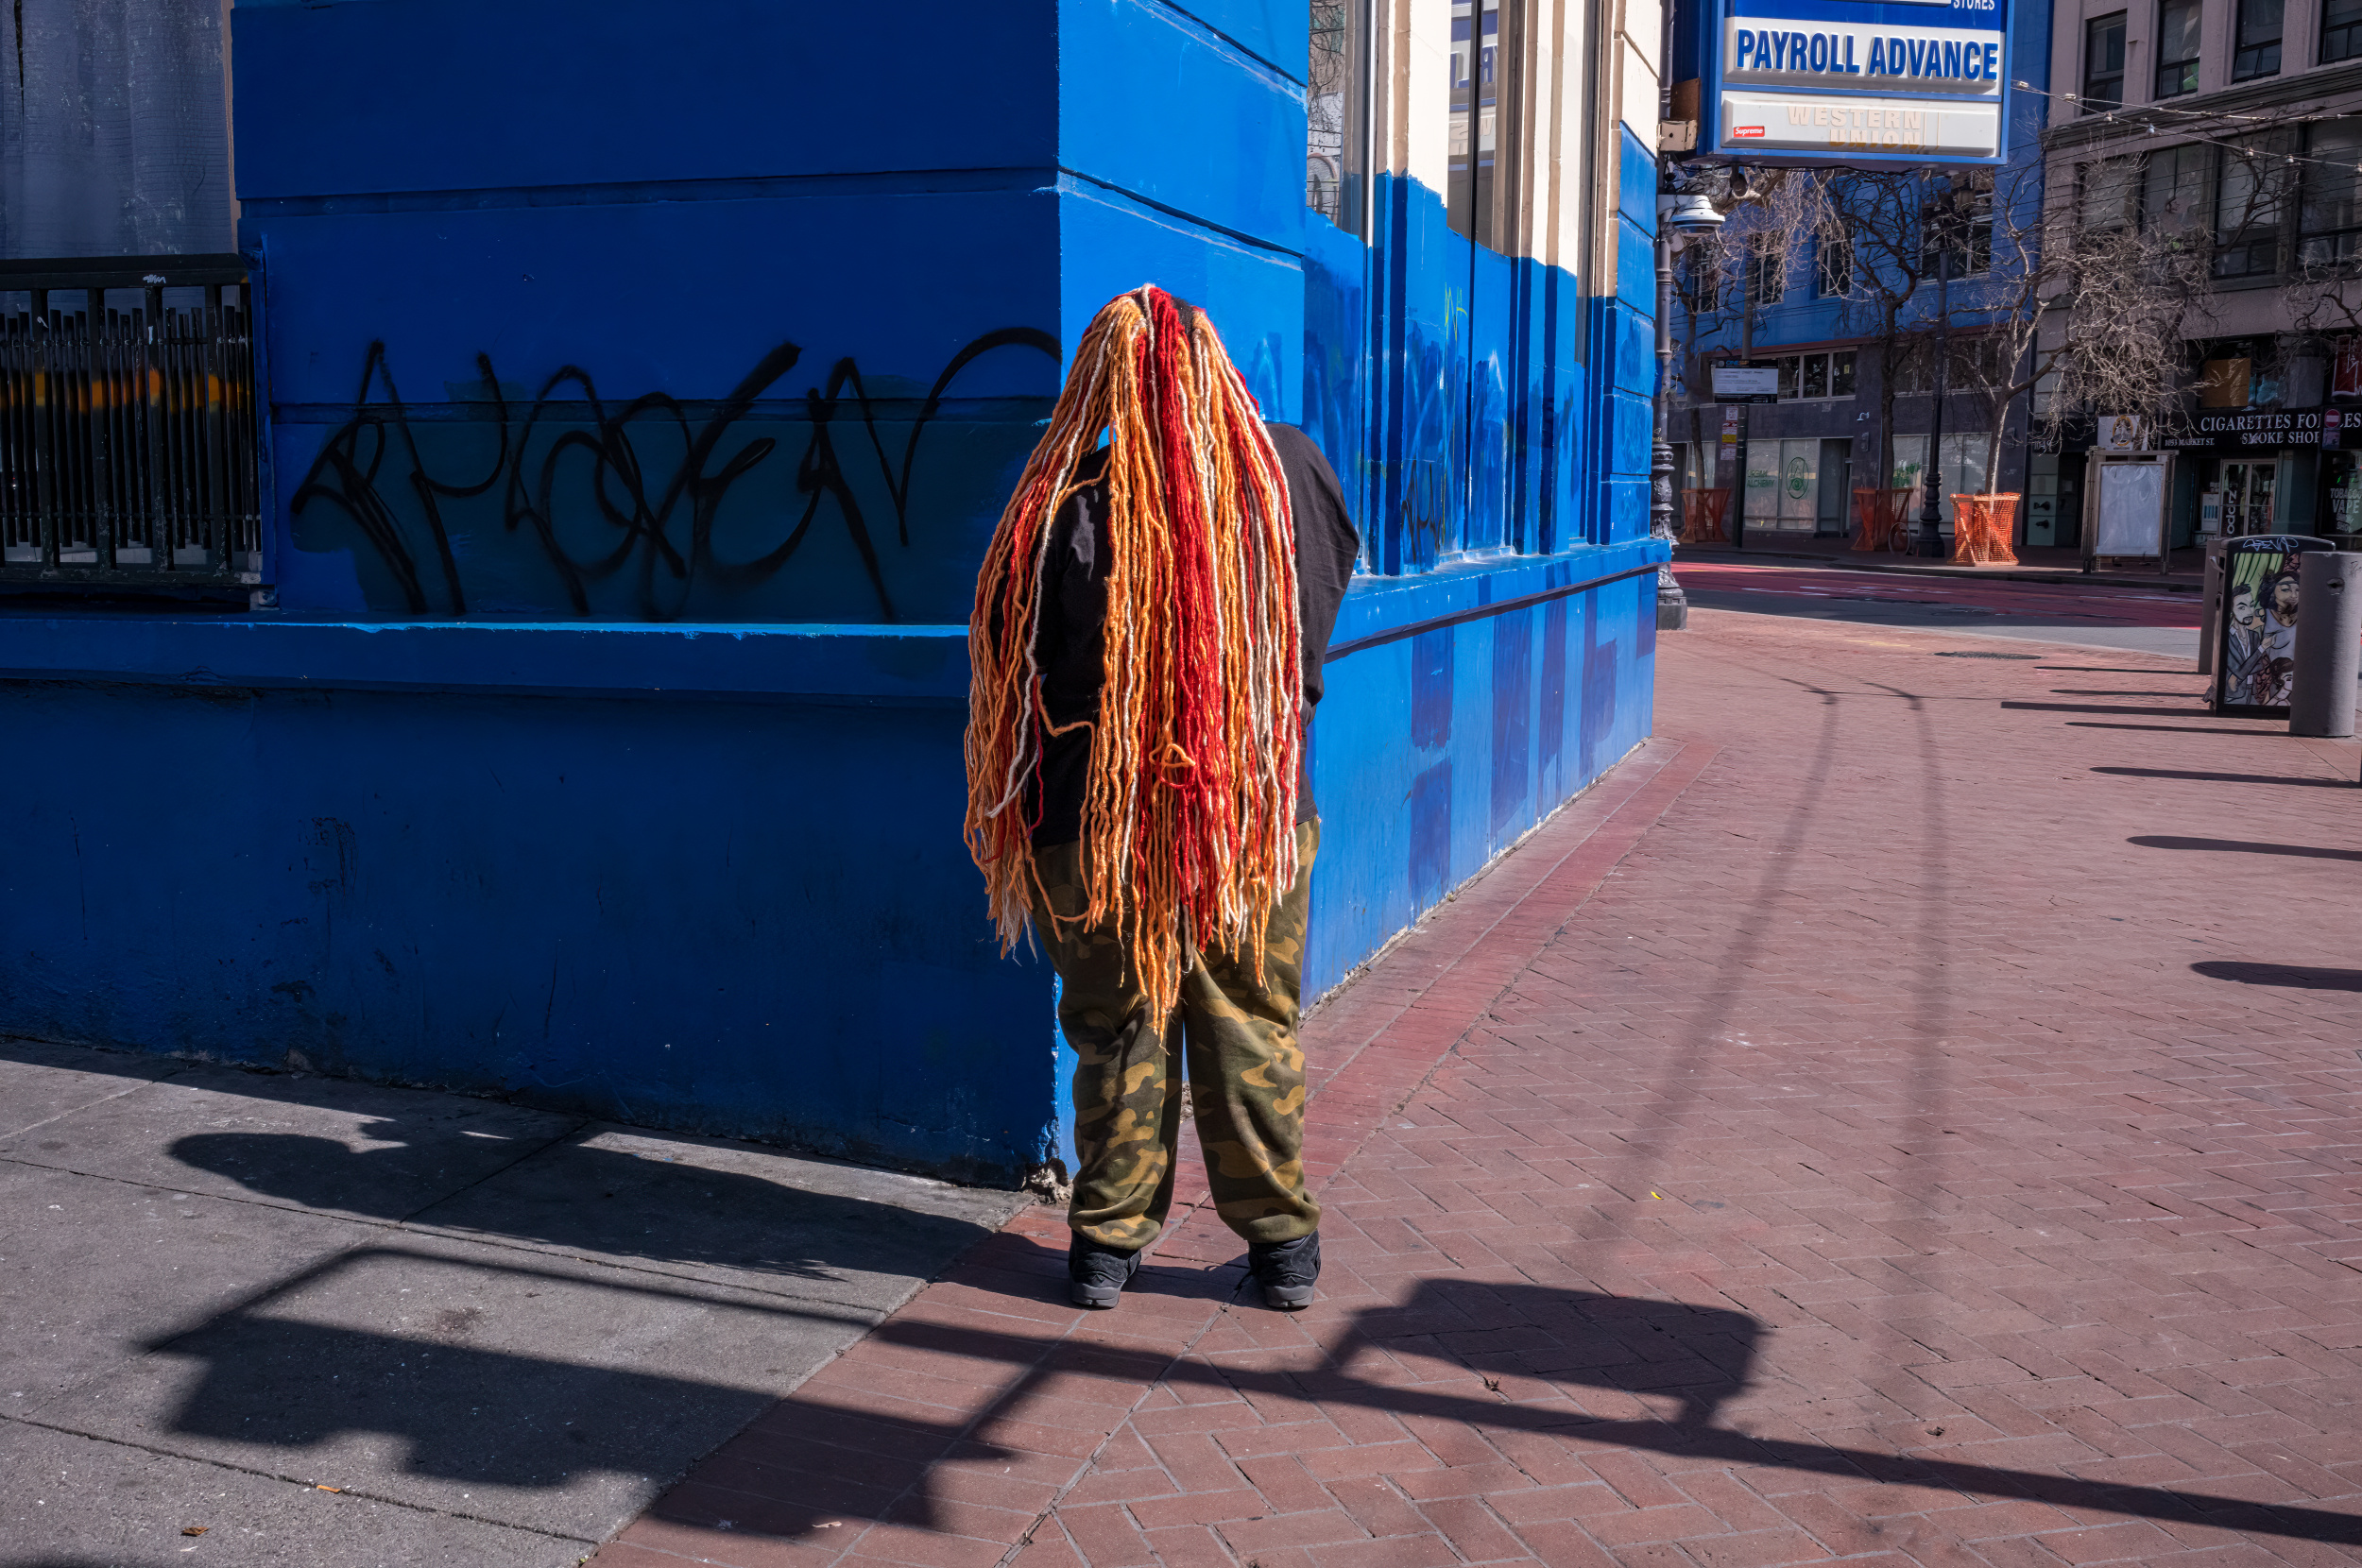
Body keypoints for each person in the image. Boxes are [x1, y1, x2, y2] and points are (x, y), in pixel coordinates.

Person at [965, 286, 1361, 1312]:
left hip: (1095, 822)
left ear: (1100, 385)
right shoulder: (1288, 471)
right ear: (1211, 369)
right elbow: (1320, 601)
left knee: (1116, 1027)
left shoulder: (1061, 501)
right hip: (1250, 809)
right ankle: (1283, 1247)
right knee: (1250, 1019)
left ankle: (1104, 1245)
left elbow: (1015, 660)